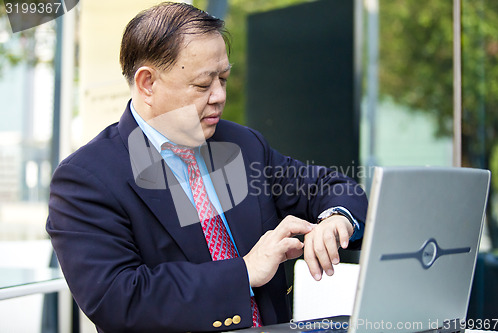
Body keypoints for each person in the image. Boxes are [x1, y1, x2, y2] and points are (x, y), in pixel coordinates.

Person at [46, 2, 368, 332]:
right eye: (203, 85)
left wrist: (336, 218)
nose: (218, 96)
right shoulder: (86, 179)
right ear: (147, 84)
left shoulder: (243, 145)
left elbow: (331, 187)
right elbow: (119, 299)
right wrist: (244, 271)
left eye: (224, 78)